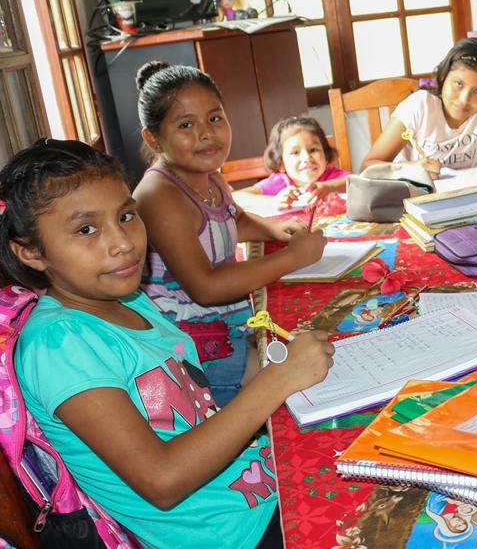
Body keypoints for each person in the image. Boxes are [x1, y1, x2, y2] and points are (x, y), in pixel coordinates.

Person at [0, 138, 335, 548]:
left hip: (254, 490)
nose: (123, 242)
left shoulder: (132, 300)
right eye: (86, 229)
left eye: (126, 216)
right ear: (32, 253)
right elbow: (162, 481)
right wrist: (277, 379)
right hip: (229, 536)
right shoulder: (59, 344)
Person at [133, 61, 327, 406]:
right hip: (193, 349)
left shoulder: (209, 175)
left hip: (229, 322)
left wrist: (274, 229)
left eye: (215, 118)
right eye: (186, 124)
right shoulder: (159, 196)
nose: (206, 133)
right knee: (308, 388)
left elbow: (232, 219)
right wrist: (293, 257)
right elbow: (206, 286)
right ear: (153, 137)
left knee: (318, 335)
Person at [361, 37, 477, 179]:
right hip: (417, 202)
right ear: (443, 76)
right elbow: (368, 165)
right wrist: (413, 167)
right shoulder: (420, 106)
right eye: (458, 84)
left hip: (466, 203)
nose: (464, 100)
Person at [237, 116, 349, 211]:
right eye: (295, 152)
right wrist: (273, 202)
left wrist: (328, 187)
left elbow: (362, 182)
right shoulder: (280, 182)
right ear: (281, 164)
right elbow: (236, 197)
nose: (306, 158)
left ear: (325, 155)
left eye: (313, 150)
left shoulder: (333, 177)